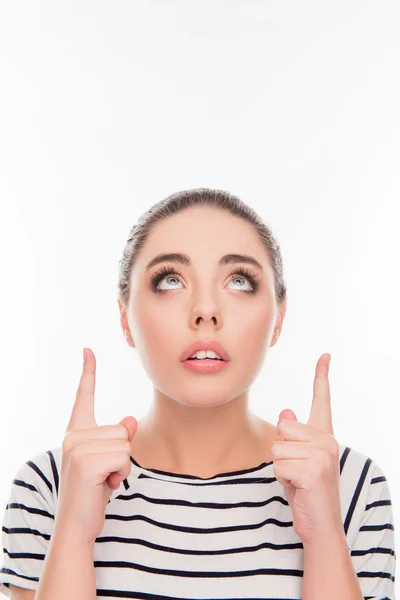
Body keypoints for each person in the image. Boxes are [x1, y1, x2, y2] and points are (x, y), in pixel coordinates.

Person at [0, 188, 396, 598]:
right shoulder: (49, 487)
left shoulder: (352, 486)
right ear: (125, 317)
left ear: (279, 317)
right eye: (170, 280)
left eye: (239, 280)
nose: (205, 311)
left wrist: (325, 534)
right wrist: (74, 532)